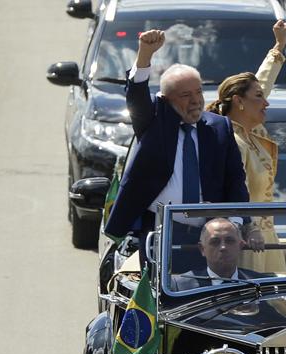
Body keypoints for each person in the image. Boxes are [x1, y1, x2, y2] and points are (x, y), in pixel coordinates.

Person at [102, 29, 249, 255]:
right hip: (159, 232)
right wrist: (144, 55)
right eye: (185, 95)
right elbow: (137, 95)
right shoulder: (154, 122)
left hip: (211, 234)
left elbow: (235, 181)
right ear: (165, 100)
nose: (196, 101)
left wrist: (236, 225)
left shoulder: (220, 128)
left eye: (198, 92)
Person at [205, 20, 286, 274]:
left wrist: (278, 47)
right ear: (239, 102)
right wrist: (248, 228)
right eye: (259, 97)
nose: (266, 103)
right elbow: (232, 193)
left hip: (267, 237)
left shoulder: (252, 132)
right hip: (244, 241)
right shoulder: (230, 140)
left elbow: (261, 84)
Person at [171, 218, 264, 291]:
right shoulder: (180, 286)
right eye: (215, 242)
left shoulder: (260, 283)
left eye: (229, 241)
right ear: (202, 249)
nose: (223, 247)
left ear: (240, 246)